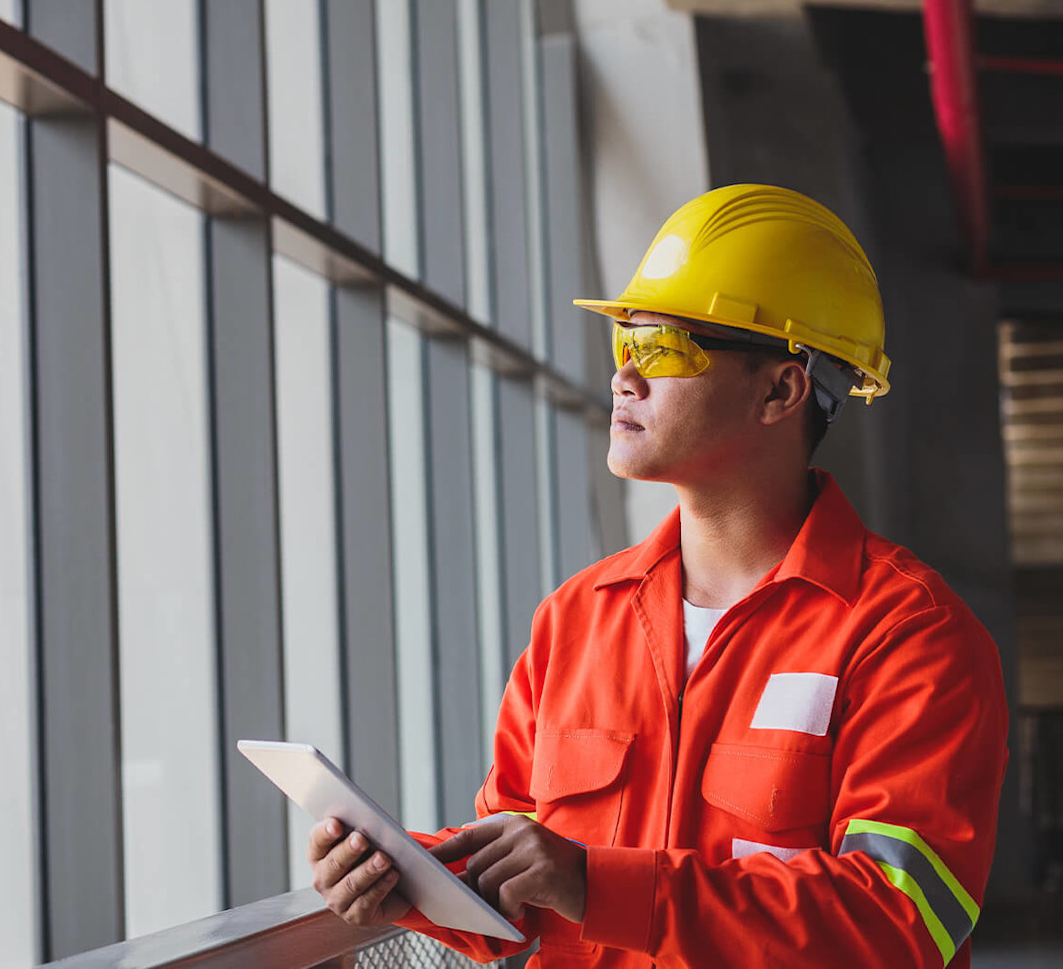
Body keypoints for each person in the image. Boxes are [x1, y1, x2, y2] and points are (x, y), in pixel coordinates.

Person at [306, 184, 1008, 967]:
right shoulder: (575, 620)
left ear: (782, 389)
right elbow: (514, 892)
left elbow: (895, 924)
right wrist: (408, 876)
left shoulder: (907, 634)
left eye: (665, 348)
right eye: (624, 344)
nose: (624, 378)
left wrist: (596, 883)